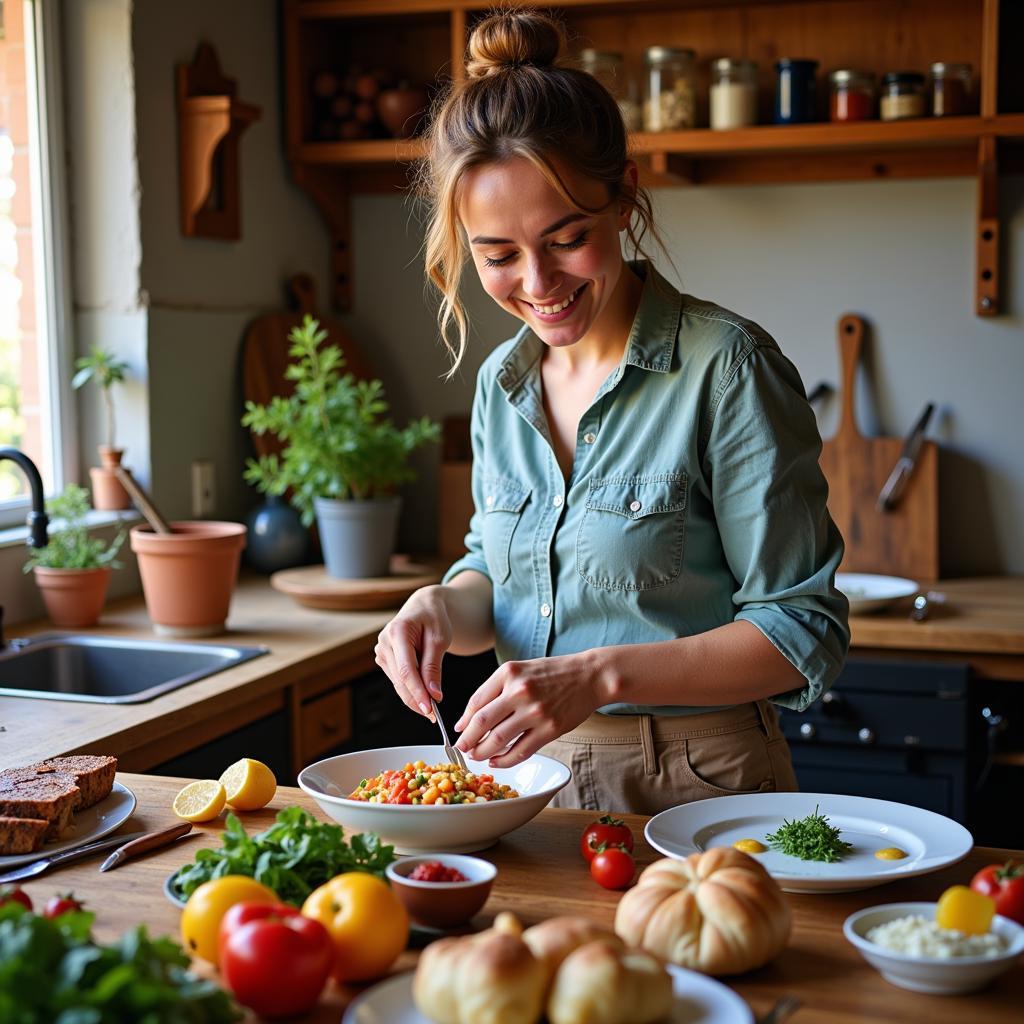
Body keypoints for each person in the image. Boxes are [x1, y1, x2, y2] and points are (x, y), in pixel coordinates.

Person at [373, 9, 849, 815]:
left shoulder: (727, 367)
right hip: (524, 783)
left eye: (566, 238)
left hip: (700, 781)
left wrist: (597, 677)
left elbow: (799, 629)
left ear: (624, 195)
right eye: (497, 255)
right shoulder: (502, 382)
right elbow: (498, 572)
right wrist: (438, 608)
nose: (538, 282)